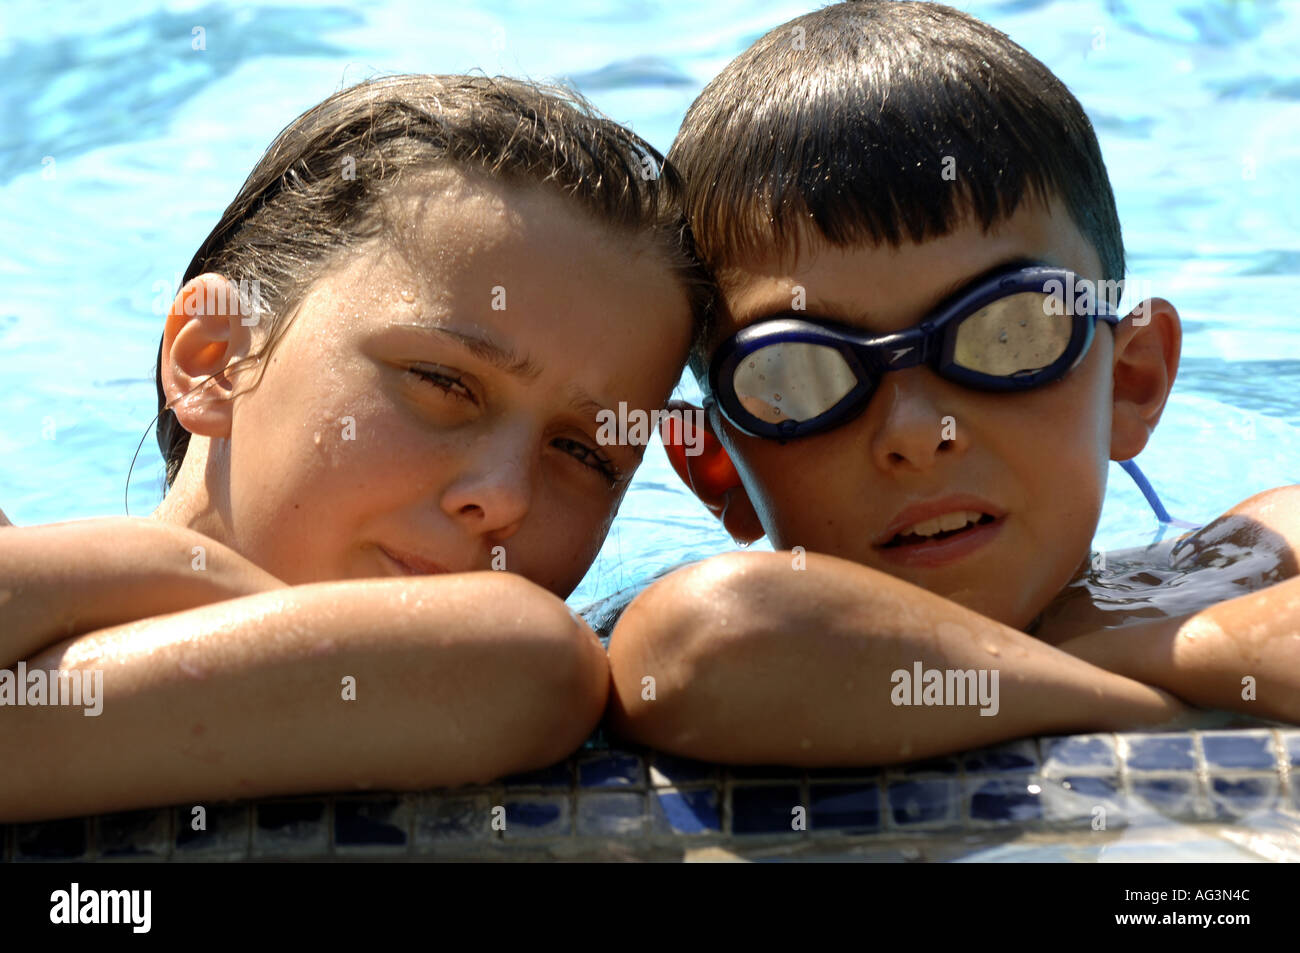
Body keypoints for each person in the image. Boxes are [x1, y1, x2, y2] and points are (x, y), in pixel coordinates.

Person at [602, 1, 1300, 766]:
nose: (914, 433)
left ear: (1131, 383)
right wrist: (1125, 678)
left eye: (1007, 333)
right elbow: (698, 648)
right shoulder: (718, 622)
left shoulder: (1224, 567)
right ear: (718, 466)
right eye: (798, 373)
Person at [0, 74, 714, 822]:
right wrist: (162, 565)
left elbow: (521, 663)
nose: (505, 495)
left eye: (586, 454)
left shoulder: (591, 663)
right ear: (213, 359)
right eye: (442, 381)